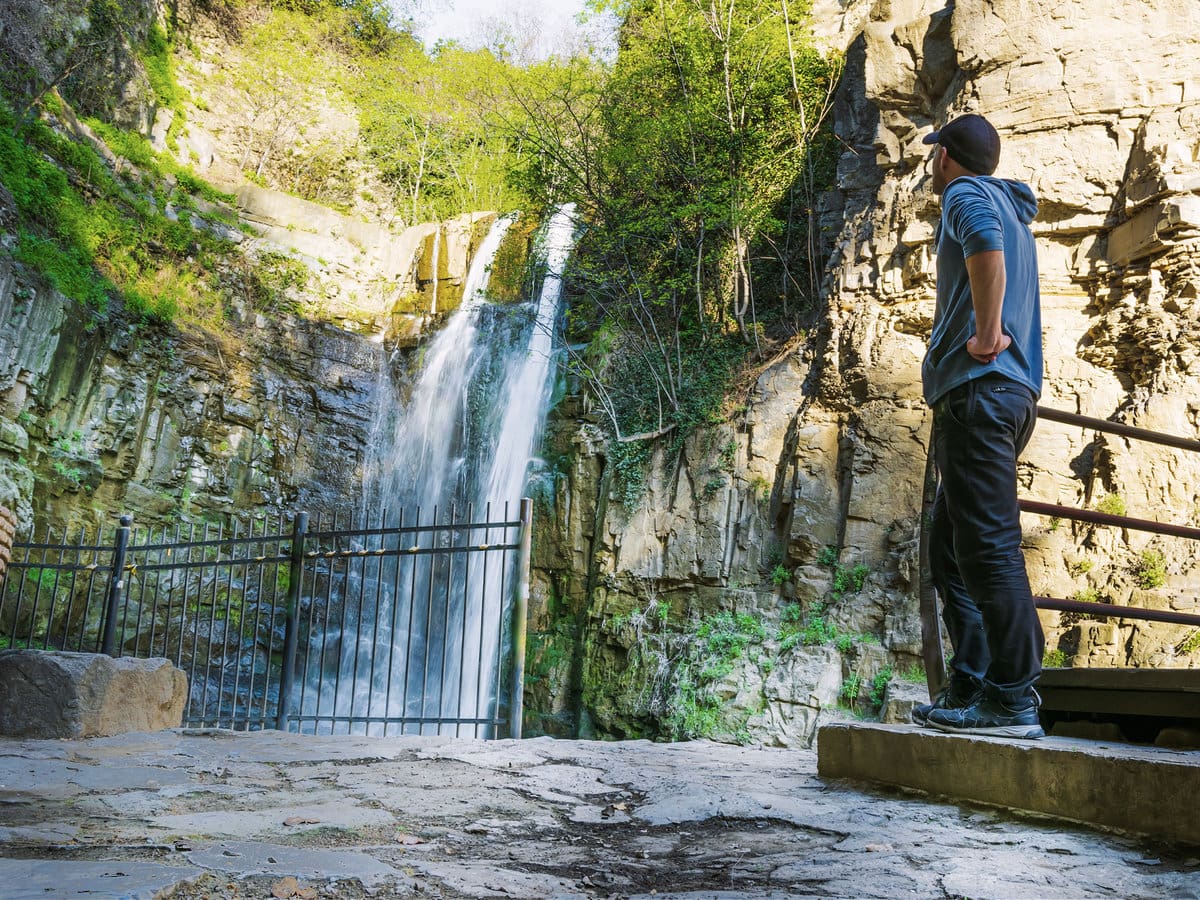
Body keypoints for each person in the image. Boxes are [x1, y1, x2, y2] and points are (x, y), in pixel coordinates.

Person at [911, 113, 1046, 739]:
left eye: (937, 153)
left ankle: (1013, 698)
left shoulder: (968, 196)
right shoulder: (1014, 209)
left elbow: (983, 251)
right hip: (1004, 397)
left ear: (948, 158)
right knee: (951, 546)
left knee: (987, 546)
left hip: (981, 393)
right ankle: (972, 677)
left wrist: (985, 336)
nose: (934, 164)